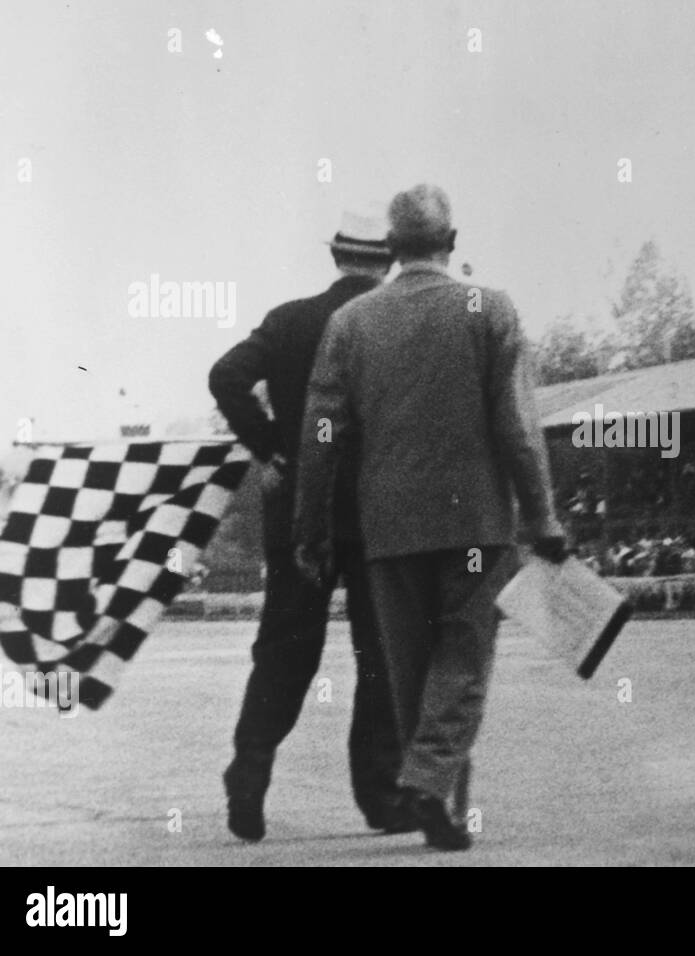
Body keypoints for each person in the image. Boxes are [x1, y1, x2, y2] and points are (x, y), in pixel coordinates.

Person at [293, 185, 565, 852]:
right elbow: (517, 427)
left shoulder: (351, 323)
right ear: (452, 241)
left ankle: (437, 800)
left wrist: (310, 529)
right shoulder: (488, 309)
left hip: (389, 532)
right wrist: (543, 517)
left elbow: (320, 436)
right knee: (463, 663)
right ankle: (429, 784)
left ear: (391, 249)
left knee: (413, 672)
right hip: (474, 528)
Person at [208, 208, 403, 841]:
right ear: (390, 261)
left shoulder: (289, 319)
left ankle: (252, 765)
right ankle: (378, 794)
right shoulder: (395, 323)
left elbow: (226, 375)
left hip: (297, 509)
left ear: (335, 258)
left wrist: (270, 448)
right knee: (381, 655)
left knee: (287, 647)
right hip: (379, 514)